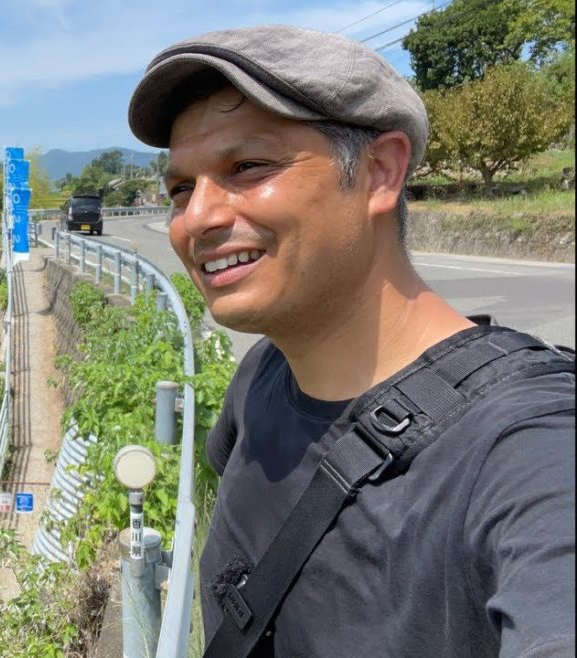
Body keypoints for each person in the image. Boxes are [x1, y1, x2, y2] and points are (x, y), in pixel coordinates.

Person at [127, 25, 575, 657]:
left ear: (380, 172)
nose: (196, 218)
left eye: (248, 166)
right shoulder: (262, 377)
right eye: (181, 189)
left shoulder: (531, 448)